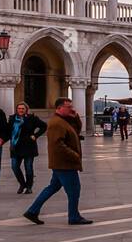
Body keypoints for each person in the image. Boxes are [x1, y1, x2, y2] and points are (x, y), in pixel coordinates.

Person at [23, 97, 92, 226]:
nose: (72, 109)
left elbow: (76, 130)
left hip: (62, 163)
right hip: (64, 163)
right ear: (59, 108)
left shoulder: (64, 121)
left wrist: (75, 116)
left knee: (53, 187)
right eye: (68, 107)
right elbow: (57, 144)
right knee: (74, 190)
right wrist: (74, 155)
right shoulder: (56, 123)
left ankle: (32, 211)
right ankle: (74, 216)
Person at [8, 103, 47, 195]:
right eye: (19, 108)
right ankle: (22, 184)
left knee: (28, 167)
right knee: (14, 167)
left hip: (28, 146)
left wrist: (36, 135)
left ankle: (29, 187)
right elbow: (8, 131)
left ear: (26, 109)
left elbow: (44, 126)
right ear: (16, 109)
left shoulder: (32, 118)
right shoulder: (12, 119)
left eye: (23, 108)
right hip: (15, 146)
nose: (21, 110)